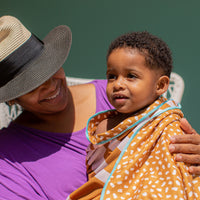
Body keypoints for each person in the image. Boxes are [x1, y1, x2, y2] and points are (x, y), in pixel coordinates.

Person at [0, 15, 199, 200]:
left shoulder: (122, 97)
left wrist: (192, 153)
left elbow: (171, 155)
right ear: (11, 99)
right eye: (32, 84)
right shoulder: (8, 157)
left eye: (50, 69)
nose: (49, 85)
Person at [68, 31, 200, 199]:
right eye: (112, 76)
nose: (118, 84)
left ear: (160, 85)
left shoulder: (166, 126)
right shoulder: (104, 124)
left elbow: (174, 180)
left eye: (131, 76)